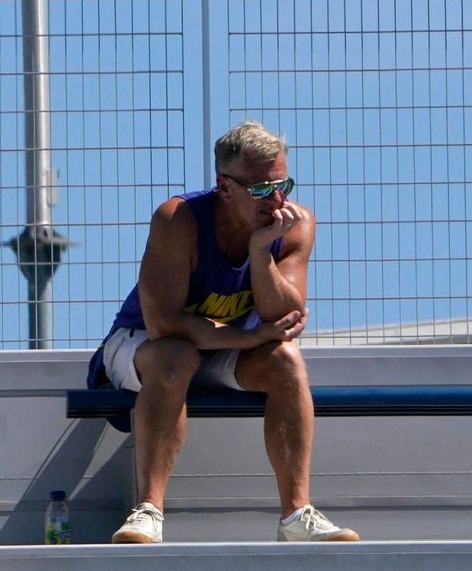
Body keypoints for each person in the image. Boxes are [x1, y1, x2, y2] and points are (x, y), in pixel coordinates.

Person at [87, 119, 360, 544]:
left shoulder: (295, 223)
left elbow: (284, 318)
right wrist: (249, 338)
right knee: (176, 357)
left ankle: (296, 516)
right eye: (260, 190)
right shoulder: (179, 218)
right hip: (143, 344)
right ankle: (147, 512)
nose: (276, 198)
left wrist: (259, 251)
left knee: (286, 362)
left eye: (282, 183)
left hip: (221, 348)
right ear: (224, 186)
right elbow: (164, 325)